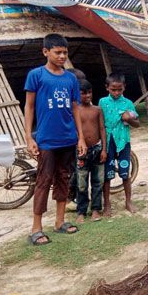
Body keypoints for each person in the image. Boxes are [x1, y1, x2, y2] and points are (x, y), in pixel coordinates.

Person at [24, 33, 87, 245]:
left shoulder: (70, 78)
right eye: (57, 52)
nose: (62, 56)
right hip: (46, 140)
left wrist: (81, 138)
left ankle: (60, 222)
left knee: (63, 179)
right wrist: (28, 137)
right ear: (45, 52)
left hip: (68, 139)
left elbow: (75, 108)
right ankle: (36, 228)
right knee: (43, 181)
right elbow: (29, 106)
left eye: (65, 52)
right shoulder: (36, 75)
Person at [99, 72, 139, 216]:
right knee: (107, 175)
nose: (116, 92)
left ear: (124, 88)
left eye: (119, 89)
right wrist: (102, 146)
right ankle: (107, 204)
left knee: (125, 173)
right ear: (107, 88)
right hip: (108, 142)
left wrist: (129, 119)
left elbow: (137, 124)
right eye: (113, 89)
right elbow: (100, 124)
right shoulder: (102, 102)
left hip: (123, 142)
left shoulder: (128, 103)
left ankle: (128, 202)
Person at [76, 78, 106, 223]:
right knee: (81, 182)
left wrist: (104, 149)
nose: (87, 96)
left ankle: (95, 209)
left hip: (97, 149)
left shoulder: (97, 110)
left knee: (98, 181)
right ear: (77, 93)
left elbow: (102, 129)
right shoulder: (75, 110)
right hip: (81, 151)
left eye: (89, 93)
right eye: (83, 93)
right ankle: (81, 211)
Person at [65, 68, 87, 212]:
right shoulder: (72, 102)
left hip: (72, 139)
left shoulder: (74, 100)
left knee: (74, 169)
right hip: (70, 140)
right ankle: (67, 199)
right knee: (75, 170)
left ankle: (73, 197)